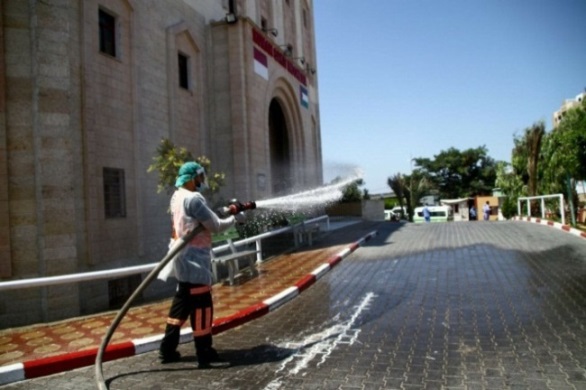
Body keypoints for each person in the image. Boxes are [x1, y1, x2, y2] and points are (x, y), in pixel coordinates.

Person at [159, 161, 243, 368]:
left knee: (180, 306)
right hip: (196, 262)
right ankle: (204, 354)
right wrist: (235, 217)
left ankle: (167, 350)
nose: (202, 181)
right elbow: (215, 226)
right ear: (192, 178)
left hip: (182, 259)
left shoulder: (176, 196)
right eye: (200, 177)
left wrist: (221, 211)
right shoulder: (194, 198)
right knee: (202, 309)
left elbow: (197, 220)